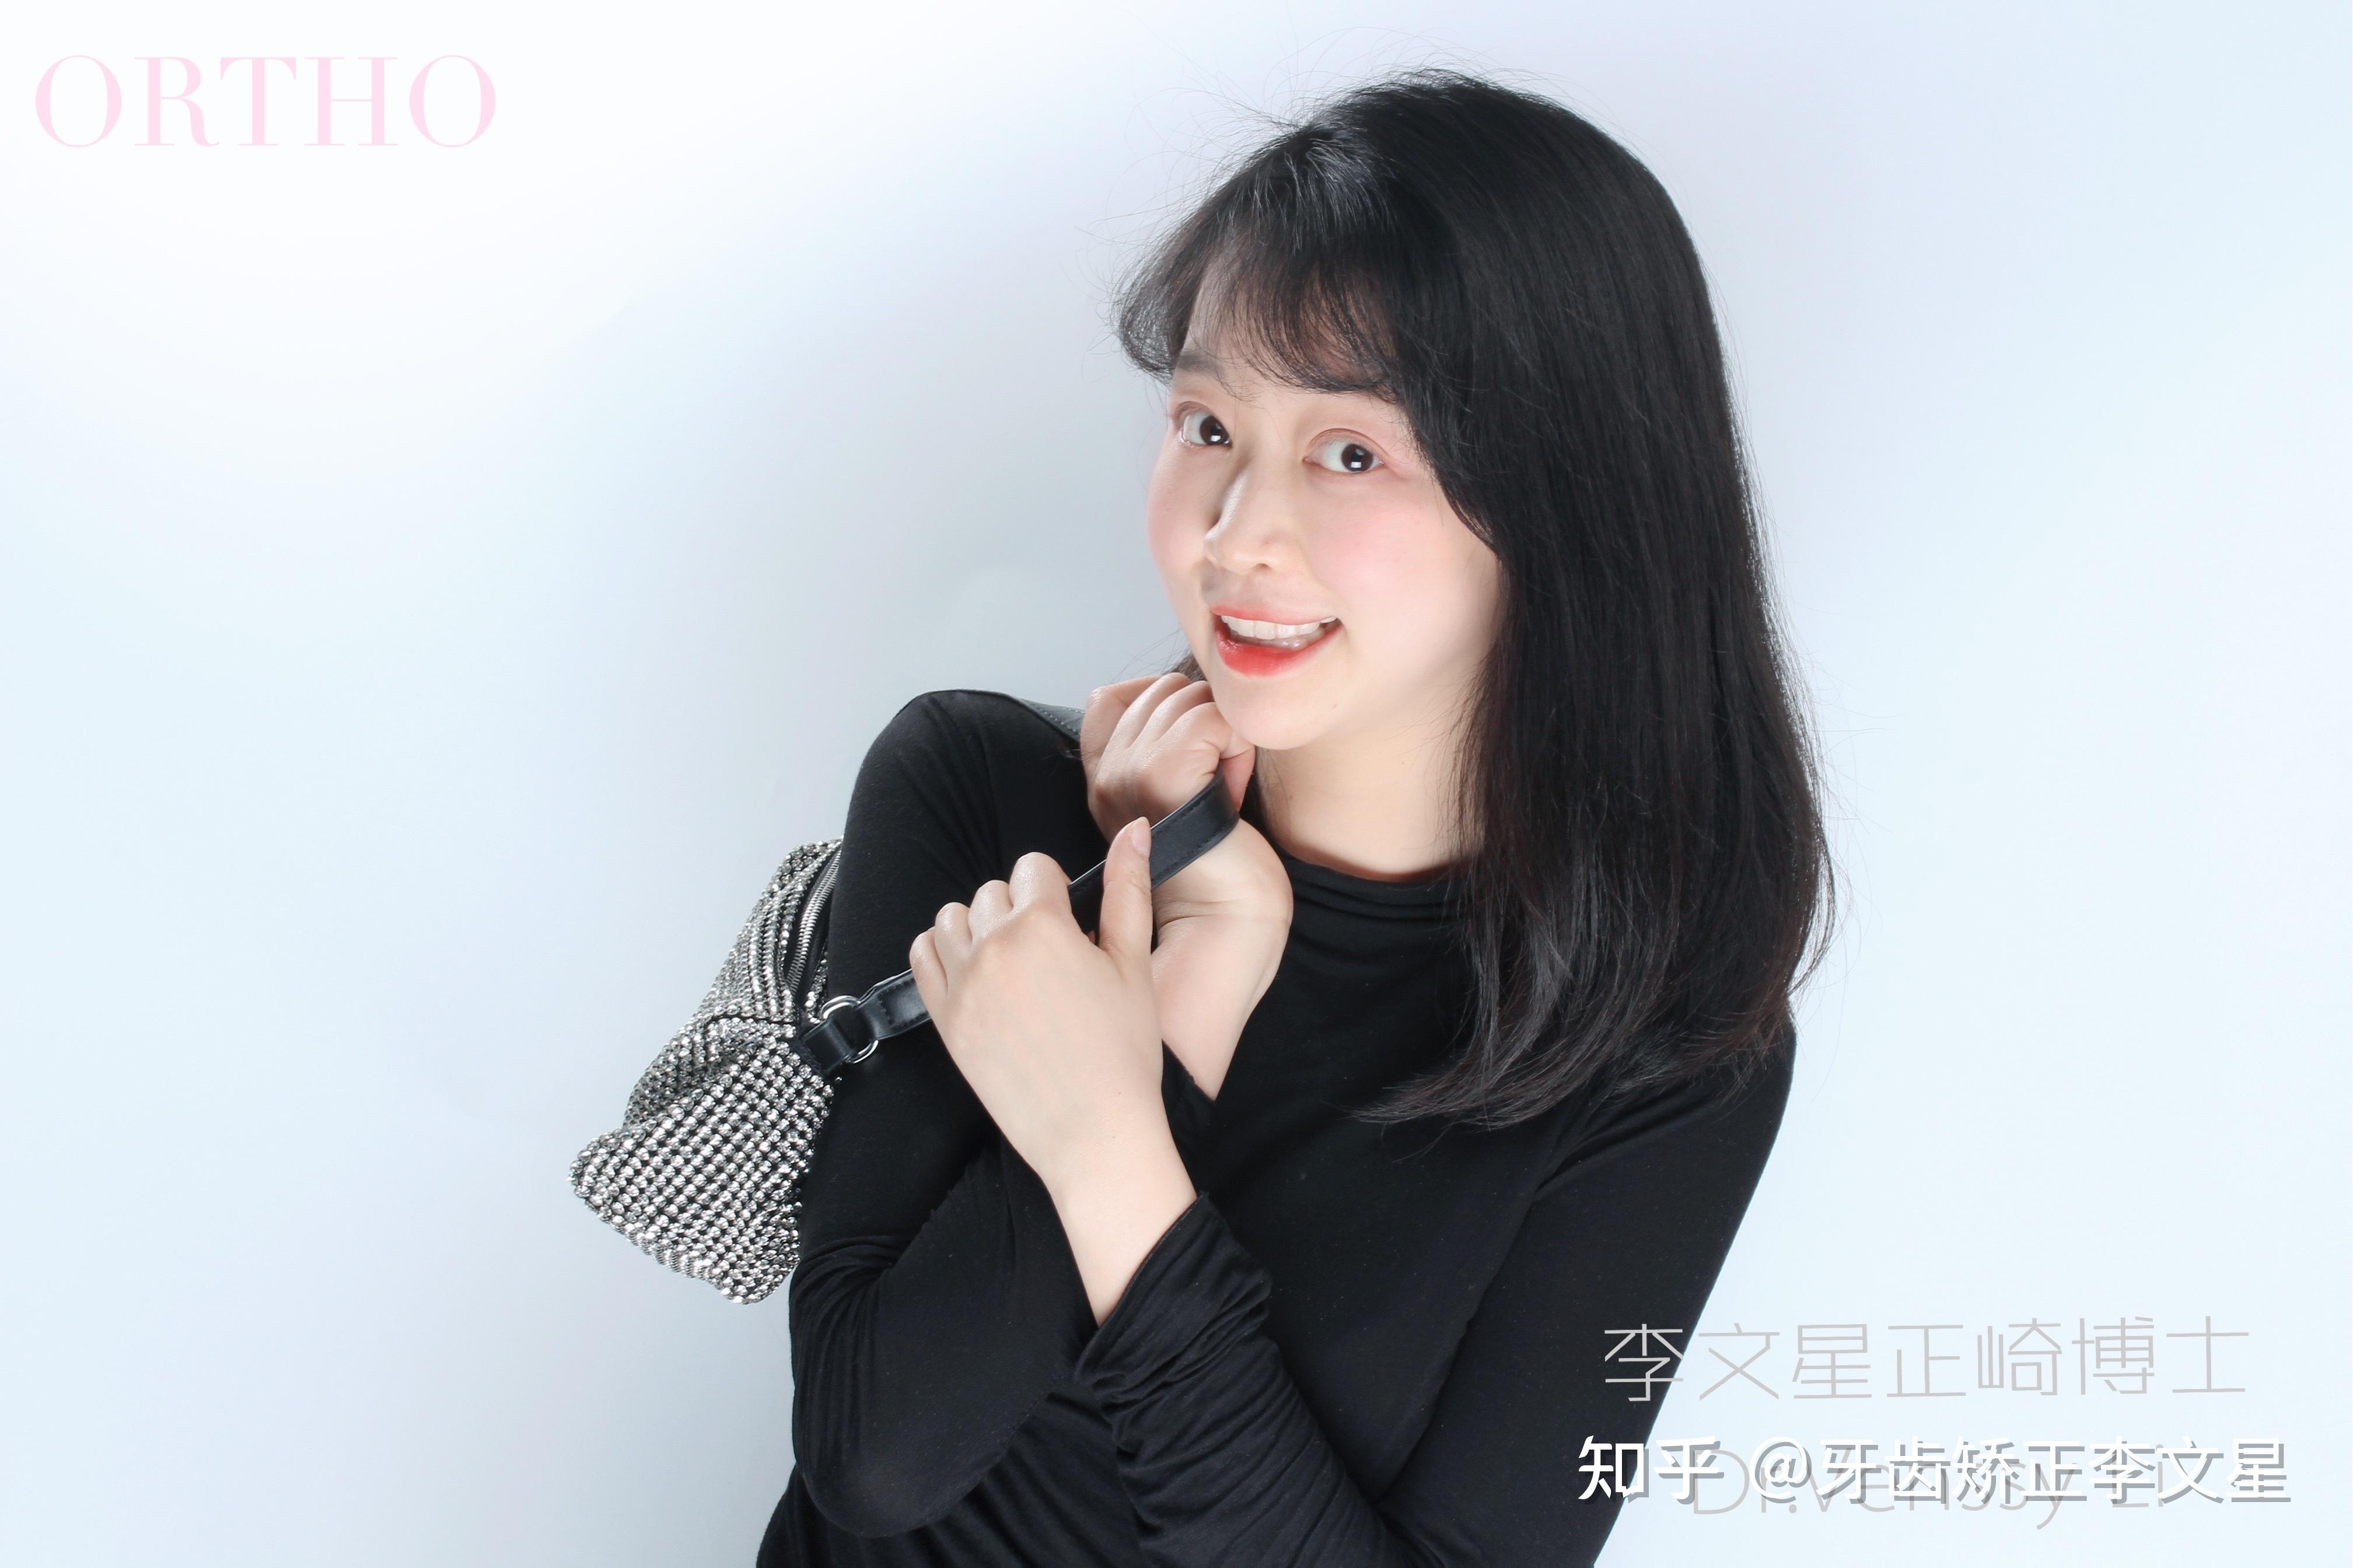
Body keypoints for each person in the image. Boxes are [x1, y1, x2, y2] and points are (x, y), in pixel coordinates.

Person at [757, 66, 1832, 1567]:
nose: (1233, 536)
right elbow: (881, 1457)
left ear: (1570, 502)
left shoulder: (1663, 1051)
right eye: (1206, 423)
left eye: (1351, 452)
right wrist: (1194, 962)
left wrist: (1110, 1141)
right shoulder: (981, 796)